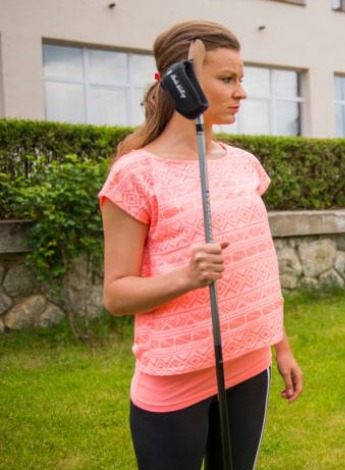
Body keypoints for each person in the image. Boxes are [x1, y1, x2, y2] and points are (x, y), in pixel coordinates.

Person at [99, 20, 302, 470]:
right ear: (182, 81)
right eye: (227, 79)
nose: (241, 92)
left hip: (249, 364)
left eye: (240, 79)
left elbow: (259, 270)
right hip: (174, 377)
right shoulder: (135, 174)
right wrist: (186, 278)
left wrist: (279, 345)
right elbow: (115, 294)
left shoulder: (246, 165)